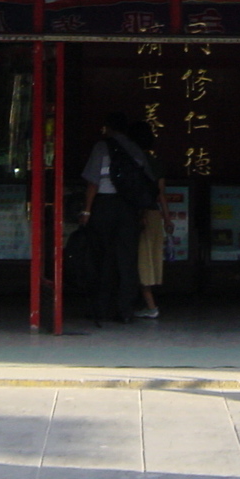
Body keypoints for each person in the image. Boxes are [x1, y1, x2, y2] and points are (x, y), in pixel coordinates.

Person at [78, 112, 151, 325]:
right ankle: (125, 310)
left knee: (102, 257)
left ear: (108, 128)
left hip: (104, 206)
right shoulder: (136, 149)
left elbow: (93, 182)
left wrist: (87, 211)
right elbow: (145, 185)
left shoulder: (102, 147)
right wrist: (142, 213)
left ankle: (101, 308)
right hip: (129, 209)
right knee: (127, 260)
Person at [127, 123, 167, 320]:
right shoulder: (155, 162)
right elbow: (161, 194)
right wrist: (167, 218)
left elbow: (138, 192)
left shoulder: (135, 161)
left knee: (142, 262)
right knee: (151, 259)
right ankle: (148, 303)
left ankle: (151, 306)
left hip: (142, 215)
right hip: (155, 215)